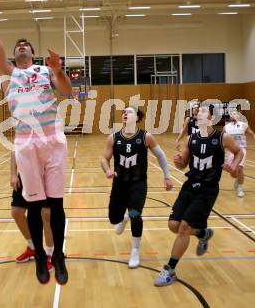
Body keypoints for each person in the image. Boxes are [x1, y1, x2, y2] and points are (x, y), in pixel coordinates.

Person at [0, 0, 72, 285]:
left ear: (33, 54)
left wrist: (59, 70)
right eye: (18, 45)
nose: (22, 45)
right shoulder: (9, 74)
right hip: (26, 142)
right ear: (14, 56)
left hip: (52, 139)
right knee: (34, 206)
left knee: (56, 205)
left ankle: (58, 255)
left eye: (26, 44)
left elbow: (67, 92)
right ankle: (40, 257)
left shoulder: (45, 71)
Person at [154, 104, 243, 287]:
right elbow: (183, 164)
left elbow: (239, 152)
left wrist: (233, 166)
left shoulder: (222, 137)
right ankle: (203, 233)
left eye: (203, 111)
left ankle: (170, 269)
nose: (198, 113)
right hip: (190, 185)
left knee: (184, 227)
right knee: (173, 225)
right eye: (197, 111)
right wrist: (178, 161)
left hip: (208, 189)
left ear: (211, 117)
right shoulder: (191, 138)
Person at [101, 106, 173, 268]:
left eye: (130, 112)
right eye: (124, 112)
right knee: (114, 219)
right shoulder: (113, 138)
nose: (125, 114)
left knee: (135, 215)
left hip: (138, 183)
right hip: (119, 184)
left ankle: (135, 250)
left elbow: (161, 156)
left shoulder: (146, 137)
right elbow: (104, 159)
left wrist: (167, 176)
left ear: (137, 117)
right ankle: (124, 217)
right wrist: (108, 170)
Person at [10, 151, 54, 271]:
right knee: (16, 212)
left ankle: (49, 254)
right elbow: (15, 150)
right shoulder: (22, 132)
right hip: (25, 175)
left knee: (45, 215)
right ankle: (32, 247)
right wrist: (13, 174)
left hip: (45, 175)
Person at [224, 110, 255, 198]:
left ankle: (240, 188)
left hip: (241, 150)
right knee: (233, 172)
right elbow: (223, 138)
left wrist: (254, 136)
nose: (233, 115)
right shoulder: (226, 127)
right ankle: (237, 180)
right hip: (231, 150)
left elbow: (251, 133)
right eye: (232, 114)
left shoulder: (243, 125)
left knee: (240, 167)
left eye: (235, 114)